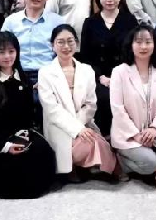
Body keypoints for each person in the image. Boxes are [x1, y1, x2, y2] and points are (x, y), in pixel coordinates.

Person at [0, 32, 58, 199]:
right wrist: (5, 145)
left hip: (19, 134)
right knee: (10, 167)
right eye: (1, 52)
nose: (7, 56)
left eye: (11, 51)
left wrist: (23, 136)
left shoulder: (24, 80)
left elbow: (27, 117)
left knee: (41, 151)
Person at [38, 25, 119, 182]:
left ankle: (90, 167)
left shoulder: (87, 70)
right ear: (53, 45)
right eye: (61, 42)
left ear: (77, 43)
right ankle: (75, 167)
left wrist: (80, 127)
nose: (66, 46)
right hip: (58, 126)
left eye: (70, 41)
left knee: (95, 141)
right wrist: (76, 128)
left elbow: (91, 104)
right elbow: (52, 110)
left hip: (83, 122)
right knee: (89, 142)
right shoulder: (45, 72)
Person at [109, 24, 156, 180]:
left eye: (148, 42)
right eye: (138, 42)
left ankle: (147, 153)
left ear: (154, 45)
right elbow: (117, 109)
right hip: (128, 134)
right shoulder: (119, 72)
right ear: (131, 45)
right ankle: (120, 161)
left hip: (153, 131)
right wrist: (136, 135)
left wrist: (155, 128)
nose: (143, 46)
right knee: (150, 164)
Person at [79, 0, 139, 135]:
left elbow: (135, 53)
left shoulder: (130, 21)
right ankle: (105, 137)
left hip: (126, 74)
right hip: (99, 76)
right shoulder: (90, 23)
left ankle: (129, 134)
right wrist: (100, 77)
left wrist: (120, 76)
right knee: (103, 97)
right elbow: (86, 57)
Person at [1, 0, 66, 92]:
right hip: (16, 74)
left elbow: (64, 54)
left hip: (48, 75)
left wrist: (50, 77)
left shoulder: (58, 22)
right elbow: (1, 50)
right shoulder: (11, 22)